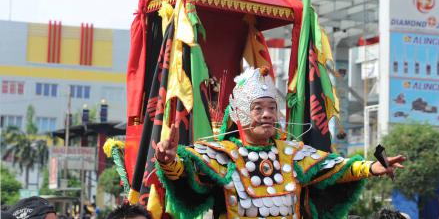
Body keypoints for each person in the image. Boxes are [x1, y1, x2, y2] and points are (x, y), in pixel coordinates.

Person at [155, 67, 406, 218]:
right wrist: (168, 160)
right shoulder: (223, 154)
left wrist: (372, 168)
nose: (267, 114)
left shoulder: (293, 153)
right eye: (258, 108)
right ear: (241, 114)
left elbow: (336, 167)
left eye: (272, 108)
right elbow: (187, 171)